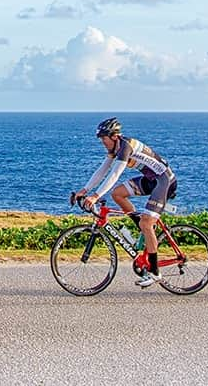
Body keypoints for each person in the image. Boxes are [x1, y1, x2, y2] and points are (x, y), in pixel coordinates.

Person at [71, 117, 177, 288]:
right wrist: (84, 190)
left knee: (147, 222)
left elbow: (114, 174)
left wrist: (96, 196)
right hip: (150, 179)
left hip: (164, 181)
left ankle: (155, 272)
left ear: (114, 136)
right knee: (117, 194)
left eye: (103, 139)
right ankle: (143, 231)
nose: (102, 143)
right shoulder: (116, 148)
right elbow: (102, 170)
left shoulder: (125, 147)